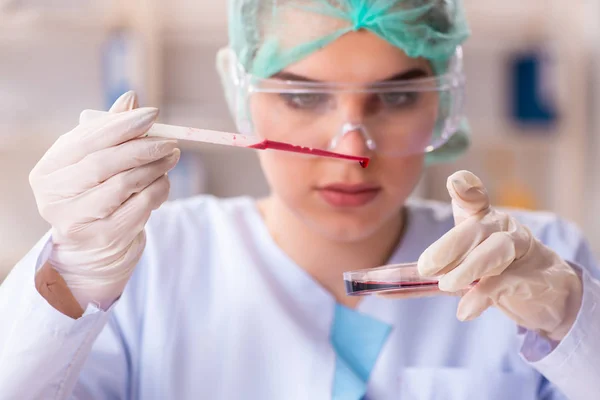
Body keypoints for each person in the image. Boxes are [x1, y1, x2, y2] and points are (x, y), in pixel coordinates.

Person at [1, 0, 599, 399]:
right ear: (245, 98)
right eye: (304, 98)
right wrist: (69, 281)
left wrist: (572, 321)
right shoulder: (150, 264)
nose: (353, 147)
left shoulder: (539, 262)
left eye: (395, 98)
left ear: (442, 103)